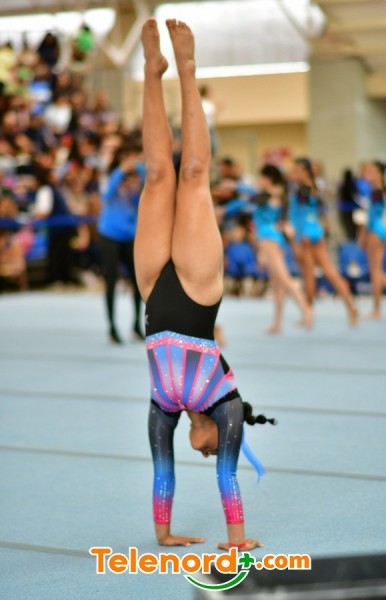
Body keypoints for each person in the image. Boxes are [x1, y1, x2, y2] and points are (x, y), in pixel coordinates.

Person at [135, 18, 273, 550]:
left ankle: (153, 71)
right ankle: (188, 69)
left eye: (212, 449)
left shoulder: (164, 408)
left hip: (153, 288)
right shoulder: (226, 404)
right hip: (195, 289)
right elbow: (228, 476)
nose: (211, 452)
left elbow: (161, 469)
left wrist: (163, 534)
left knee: (156, 174)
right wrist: (237, 539)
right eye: (216, 447)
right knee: (192, 175)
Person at [290, 158, 358, 325]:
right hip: (314, 231)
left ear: (306, 172)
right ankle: (350, 306)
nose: (294, 173)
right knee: (328, 272)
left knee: (310, 275)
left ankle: (309, 314)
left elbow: (302, 215)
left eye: (297, 171)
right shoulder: (311, 187)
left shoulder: (304, 189)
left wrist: (300, 236)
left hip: (306, 233)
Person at [252, 164, 312, 333]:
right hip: (273, 237)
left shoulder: (269, 194)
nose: (258, 181)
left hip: (268, 237)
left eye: (261, 177)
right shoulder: (275, 194)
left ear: (268, 178)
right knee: (277, 283)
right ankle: (277, 323)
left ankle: (306, 309)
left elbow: (261, 205)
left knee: (284, 279)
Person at [98, 149, 144, 343]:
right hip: (109, 234)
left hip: (129, 235)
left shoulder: (137, 180)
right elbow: (106, 195)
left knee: (138, 282)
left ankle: (137, 324)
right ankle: (112, 327)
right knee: (111, 281)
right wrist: (121, 171)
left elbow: (143, 198)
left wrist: (139, 170)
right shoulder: (110, 177)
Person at [361, 161, 386, 318]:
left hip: (375, 231)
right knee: (378, 271)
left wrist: (364, 235)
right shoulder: (379, 190)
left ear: (379, 174)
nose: (367, 174)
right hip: (380, 230)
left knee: (375, 272)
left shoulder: (376, 191)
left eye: (371, 172)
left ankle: (376, 309)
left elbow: (371, 216)